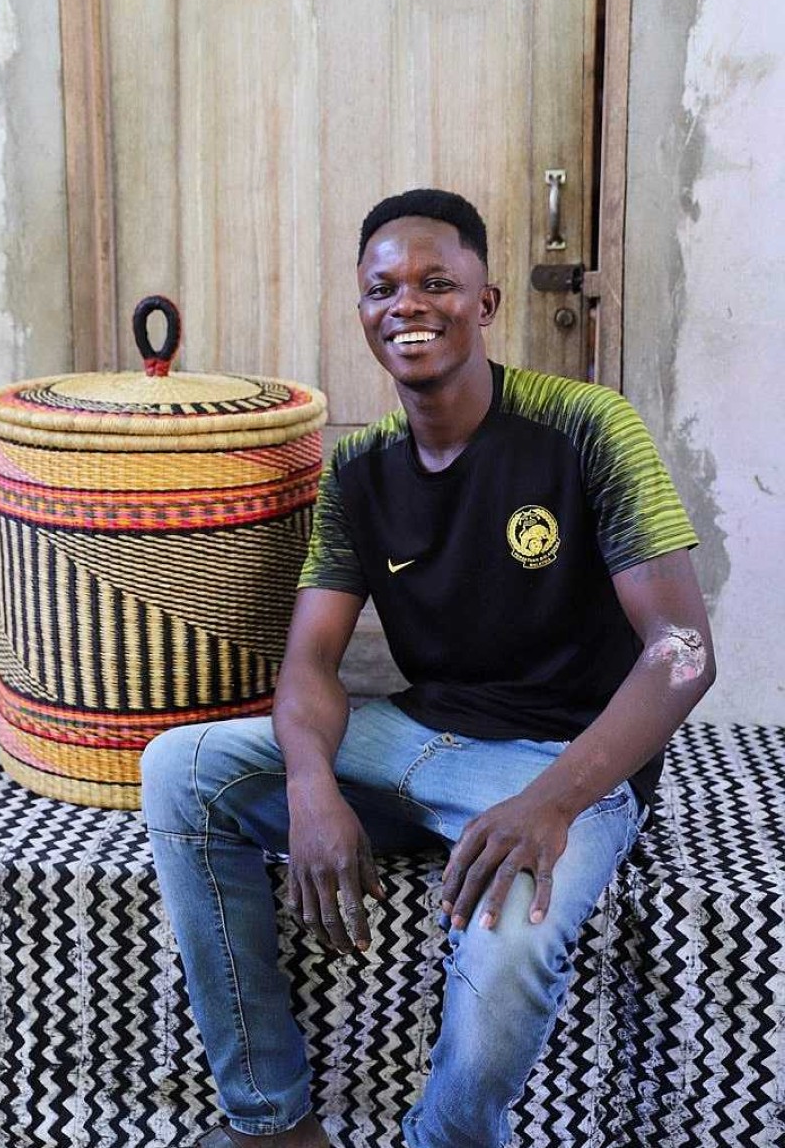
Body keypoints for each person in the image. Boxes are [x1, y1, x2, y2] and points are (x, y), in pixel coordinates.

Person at [140, 188, 715, 1148]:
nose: (408, 303)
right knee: (179, 770)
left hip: (556, 763)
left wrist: (551, 802)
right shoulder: (358, 468)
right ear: (361, 310)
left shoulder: (586, 427)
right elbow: (311, 659)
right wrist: (310, 781)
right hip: (411, 736)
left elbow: (682, 652)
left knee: (514, 947)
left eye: (436, 282)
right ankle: (272, 1123)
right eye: (383, 288)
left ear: (484, 302)